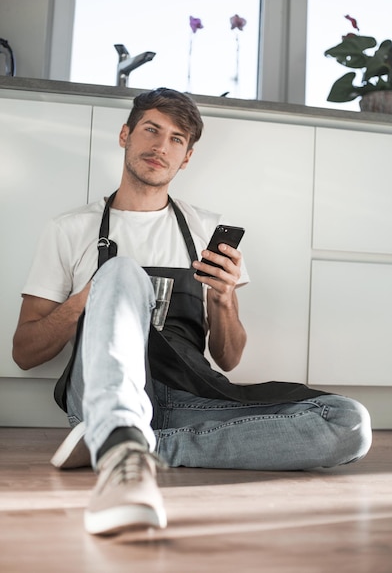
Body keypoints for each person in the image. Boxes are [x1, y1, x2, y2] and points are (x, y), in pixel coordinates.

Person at [12, 87, 372, 537]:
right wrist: (90, 295)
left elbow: (229, 359)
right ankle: (118, 431)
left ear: (186, 157)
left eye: (177, 139)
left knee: (349, 423)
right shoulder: (70, 230)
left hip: (187, 395)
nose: (161, 146)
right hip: (101, 391)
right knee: (121, 270)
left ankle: (125, 443)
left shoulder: (203, 229)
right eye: (151, 130)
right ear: (125, 135)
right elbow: (24, 353)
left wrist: (223, 298)